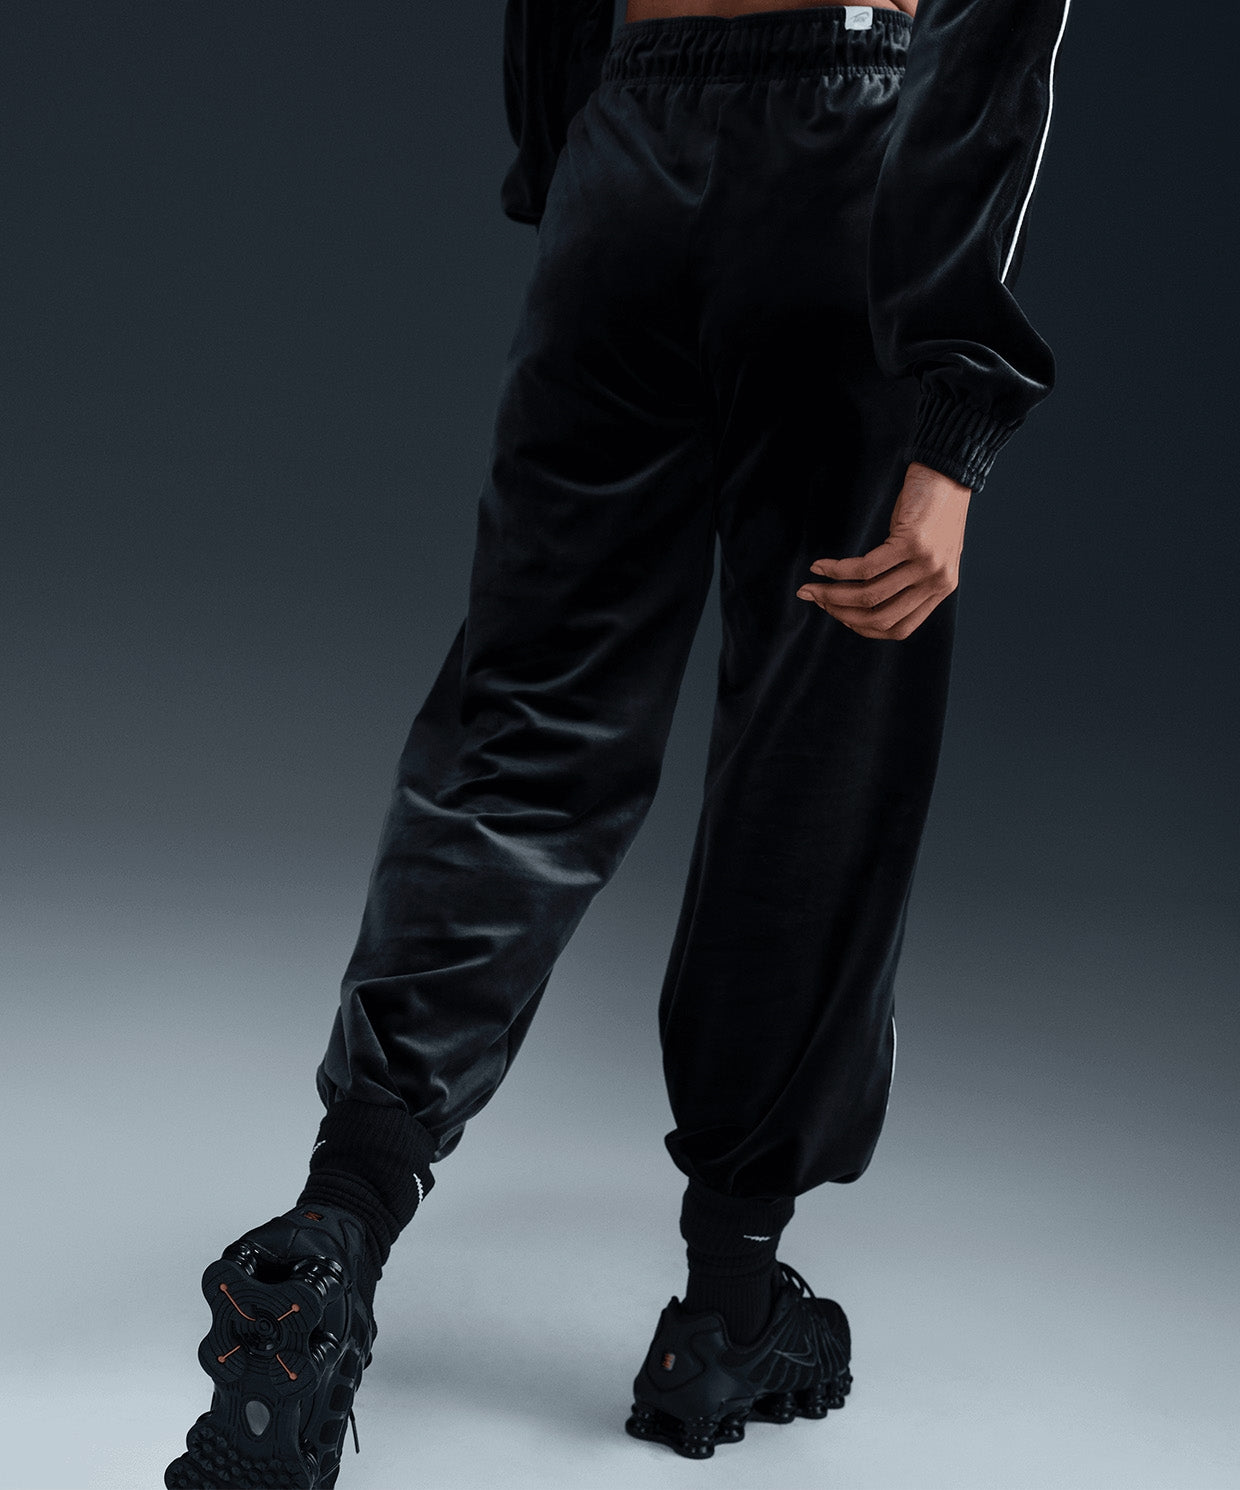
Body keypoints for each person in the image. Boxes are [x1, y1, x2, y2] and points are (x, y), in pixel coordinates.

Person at [165, 0, 1074, 1482]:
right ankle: (728, 1306)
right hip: (844, 161)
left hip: (628, 148)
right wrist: (959, 414)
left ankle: (334, 1225)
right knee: (812, 749)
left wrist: (580, 158)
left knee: (523, 717)